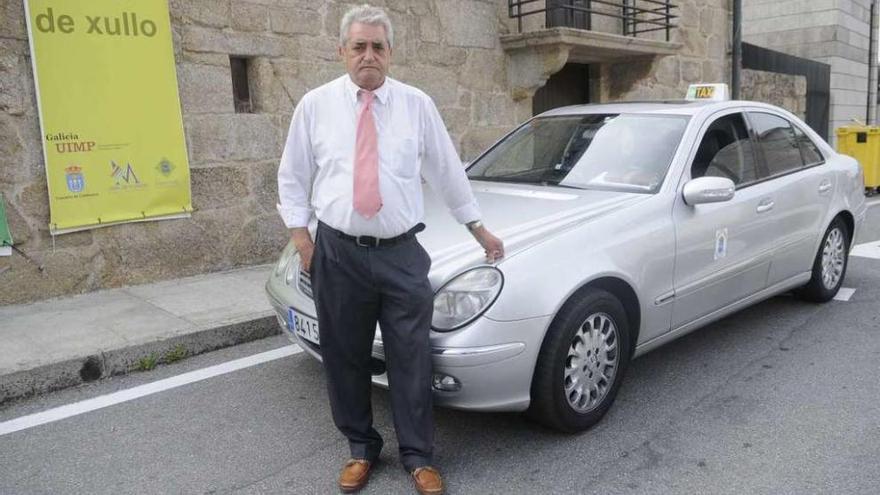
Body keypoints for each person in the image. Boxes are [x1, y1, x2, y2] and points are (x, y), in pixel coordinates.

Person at [275, 4, 504, 494]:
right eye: (358, 46)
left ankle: (419, 457)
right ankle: (361, 448)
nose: (368, 55)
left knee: (411, 357)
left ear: (391, 53)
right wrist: (302, 239)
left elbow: (447, 171)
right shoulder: (315, 106)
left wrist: (478, 229)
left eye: (378, 46)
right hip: (336, 252)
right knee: (345, 356)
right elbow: (292, 176)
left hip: (401, 254)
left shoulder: (416, 105)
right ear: (342, 51)